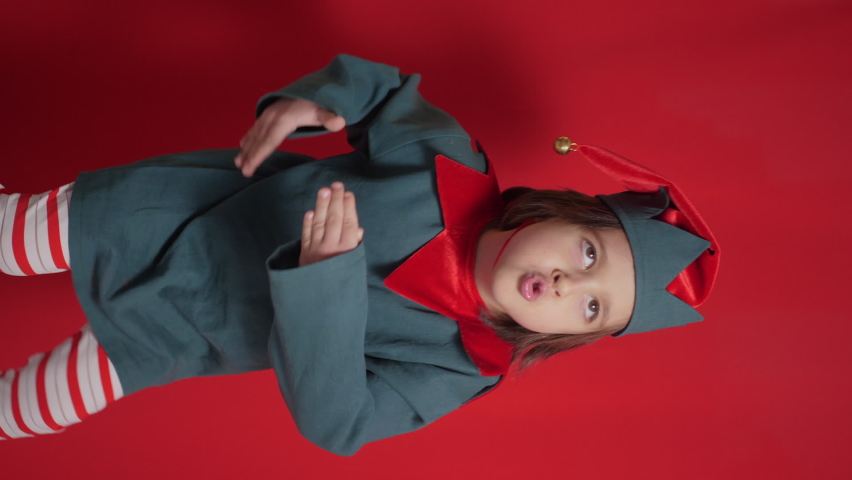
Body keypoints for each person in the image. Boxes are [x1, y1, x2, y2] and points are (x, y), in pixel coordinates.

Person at [0, 54, 720, 455]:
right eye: (589, 253)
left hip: (186, 329)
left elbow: (338, 422)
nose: (567, 283)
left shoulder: (463, 366)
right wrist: (315, 104)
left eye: (592, 307)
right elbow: (382, 95)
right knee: (17, 235)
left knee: (33, 407)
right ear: (565, 211)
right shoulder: (448, 159)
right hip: (173, 213)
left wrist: (327, 282)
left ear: (572, 336)